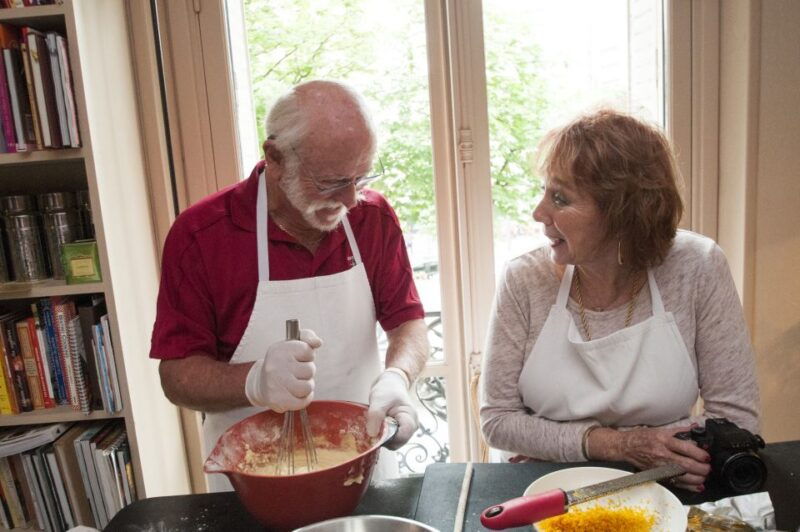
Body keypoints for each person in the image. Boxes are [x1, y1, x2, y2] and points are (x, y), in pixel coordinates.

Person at [150, 80, 429, 491]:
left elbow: (409, 323)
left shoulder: (373, 218)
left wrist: (398, 378)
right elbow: (176, 376)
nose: (352, 199)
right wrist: (253, 381)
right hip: (254, 486)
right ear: (276, 158)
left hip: (362, 471)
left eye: (361, 177)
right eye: (333, 182)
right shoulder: (202, 235)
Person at [480, 109, 760, 493]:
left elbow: (736, 420)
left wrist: (552, 441)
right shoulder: (524, 279)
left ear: (622, 214)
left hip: (664, 484)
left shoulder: (698, 267)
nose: (539, 212)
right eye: (545, 190)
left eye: (560, 198)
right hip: (543, 489)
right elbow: (498, 421)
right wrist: (621, 445)